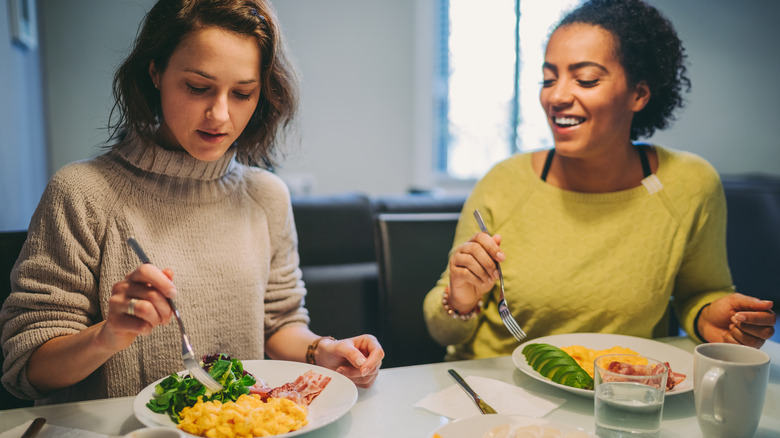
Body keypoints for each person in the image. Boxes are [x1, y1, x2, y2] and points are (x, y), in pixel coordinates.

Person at [0, 0, 383, 405]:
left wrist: (321, 350)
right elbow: (26, 369)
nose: (220, 115)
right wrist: (107, 335)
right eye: (198, 87)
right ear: (156, 73)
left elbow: (279, 324)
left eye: (242, 93)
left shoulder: (266, 196)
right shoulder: (81, 192)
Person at [423, 0, 776, 361]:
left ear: (638, 94)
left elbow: (699, 293)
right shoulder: (503, 183)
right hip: (497, 394)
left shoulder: (689, 184)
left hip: (619, 395)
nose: (556, 96)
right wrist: (461, 299)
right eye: (548, 79)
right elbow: (442, 331)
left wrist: (707, 318)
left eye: (585, 79)